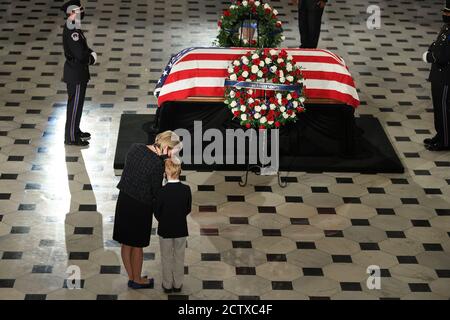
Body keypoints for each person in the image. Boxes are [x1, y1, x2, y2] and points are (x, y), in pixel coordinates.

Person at [113, 131, 182, 289]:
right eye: (173, 152)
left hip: (124, 201)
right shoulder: (157, 164)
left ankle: (131, 276)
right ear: (166, 148)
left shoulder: (135, 147)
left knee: (126, 243)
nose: (173, 155)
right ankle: (137, 279)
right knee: (137, 245)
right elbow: (156, 192)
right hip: (140, 207)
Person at [61, 0, 97, 146]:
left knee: (78, 104)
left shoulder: (74, 26)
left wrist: (89, 52)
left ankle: (75, 130)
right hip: (75, 72)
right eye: (79, 10)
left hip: (78, 71)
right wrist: (91, 58)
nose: (82, 12)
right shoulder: (72, 30)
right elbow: (79, 53)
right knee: (74, 105)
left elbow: (82, 47)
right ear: (72, 12)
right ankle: (71, 137)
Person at [155, 159, 192, 294]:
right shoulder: (186, 189)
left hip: (165, 229)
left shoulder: (161, 191)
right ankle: (178, 284)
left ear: (166, 172)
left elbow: (157, 211)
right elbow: (187, 209)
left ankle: (167, 284)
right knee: (179, 256)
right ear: (179, 171)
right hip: (181, 229)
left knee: (166, 257)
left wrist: (164, 219)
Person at [422, 0, 450, 151]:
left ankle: (445, 141)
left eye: (448, 13)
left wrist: (431, 57)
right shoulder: (447, 27)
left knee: (444, 109)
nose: (445, 15)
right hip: (438, 74)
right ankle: (440, 135)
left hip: (446, 75)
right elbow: (437, 44)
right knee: (439, 108)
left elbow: (443, 55)